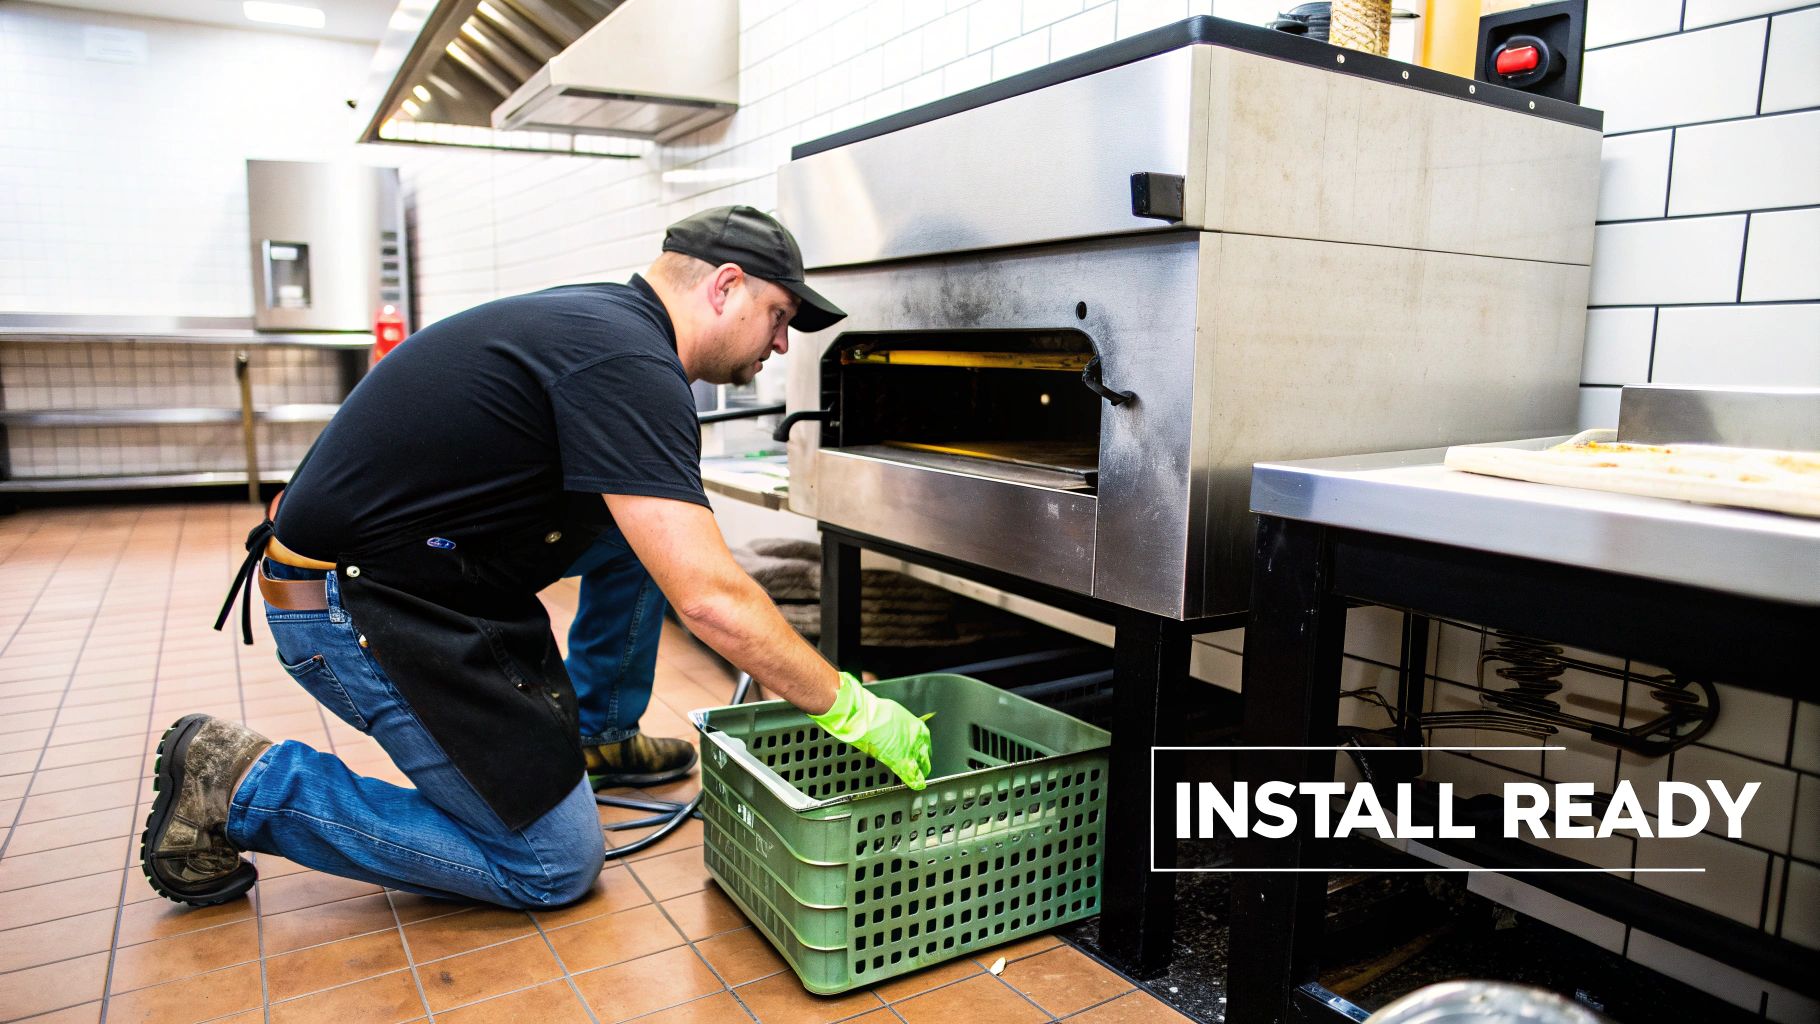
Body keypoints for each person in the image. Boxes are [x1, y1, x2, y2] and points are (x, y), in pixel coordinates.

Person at [139, 206, 933, 910]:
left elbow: (670, 555)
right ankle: (243, 784)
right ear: (724, 287)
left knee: (643, 529)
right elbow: (711, 600)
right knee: (551, 865)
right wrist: (848, 707)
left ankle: (602, 737)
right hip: (354, 606)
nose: (781, 341)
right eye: (779, 313)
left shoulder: (610, 330)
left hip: (433, 579)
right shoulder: (626, 361)